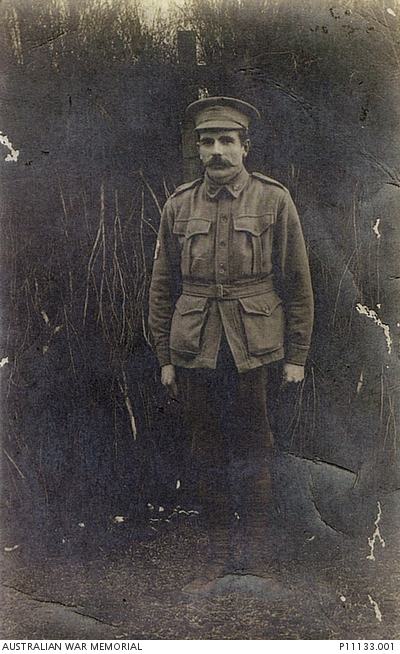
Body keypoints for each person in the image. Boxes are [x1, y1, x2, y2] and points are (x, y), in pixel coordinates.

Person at [149, 96, 314, 594]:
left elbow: (297, 282)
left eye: (226, 140)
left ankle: (256, 561)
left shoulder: (273, 199)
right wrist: (165, 356)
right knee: (206, 451)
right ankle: (216, 559)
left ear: (245, 146)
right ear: (198, 149)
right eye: (207, 142)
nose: (217, 151)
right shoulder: (179, 205)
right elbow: (162, 286)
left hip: (256, 347)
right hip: (195, 346)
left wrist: (297, 355)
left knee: (255, 449)